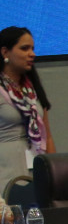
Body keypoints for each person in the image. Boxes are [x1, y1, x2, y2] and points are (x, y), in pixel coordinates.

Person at [0, 26, 53, 189]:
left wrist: (54, 172)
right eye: (25, 48)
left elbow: (47, 136)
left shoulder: (32, 88)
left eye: (32, 48)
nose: (32, 54)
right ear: (5, 52)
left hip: (34, 167)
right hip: (5, 170)